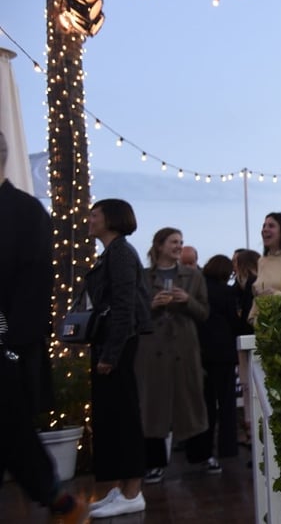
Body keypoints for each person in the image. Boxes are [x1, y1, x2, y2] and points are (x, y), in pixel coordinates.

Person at [0, 131, 81, 518]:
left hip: (8, 349)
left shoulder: (26, 212)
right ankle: (53, 496)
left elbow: (34, 289)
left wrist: (12, 348)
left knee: (13, 433)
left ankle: (55, 497)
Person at [83, 198, 152, 518]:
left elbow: (124, 307)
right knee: (113, 416)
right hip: (111, 344)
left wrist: (111, 354)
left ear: (110, 219)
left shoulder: (121, 254)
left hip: (118, 346)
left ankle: (133, 491)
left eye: (94, 214)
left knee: (124, 416)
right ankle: (123, 488)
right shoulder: (113, 254)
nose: (90, 219)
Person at [138, 227, 209, 484]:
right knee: (152, 406)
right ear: (159, 246)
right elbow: (134, 314)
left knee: (191, 401)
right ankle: (154, 463)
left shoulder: (192, 276)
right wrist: (152, 306)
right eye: (173, 242)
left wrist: (187, 300)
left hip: (183, 348)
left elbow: (204, 313)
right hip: (152, 349)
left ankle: (201, 456)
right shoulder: (143, 277)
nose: (179, 246)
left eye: (181, 241)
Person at [185, 254, 242, 473]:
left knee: (203, 405)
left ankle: (199, 452)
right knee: (226, 403)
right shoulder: (227, 293)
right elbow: (235, 323)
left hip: (199, 352)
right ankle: (227, 449)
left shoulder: (197, 290)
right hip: (224, 354)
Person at [232, 247, 260, 443]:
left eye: (236, 262)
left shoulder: (252, 285)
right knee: (248, 387)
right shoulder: (239, 286)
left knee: (251, 387)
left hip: (250, 342)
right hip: (245, 343)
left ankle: (255, 436)